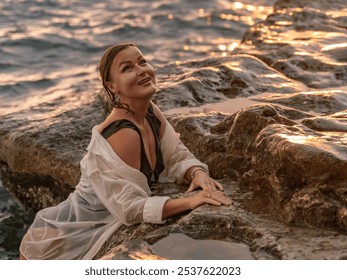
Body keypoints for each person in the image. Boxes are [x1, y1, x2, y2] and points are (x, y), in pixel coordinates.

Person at [19, 43, 231, 260]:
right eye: (127, 68)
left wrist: (197, 173)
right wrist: (192, 201)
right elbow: (130, 208)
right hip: (83, 224)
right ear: (112, 87)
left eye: (142, 62)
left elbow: (174, 154)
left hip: (98, 216)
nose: (141, 70)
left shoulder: (148, 111)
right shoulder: (123, 134)